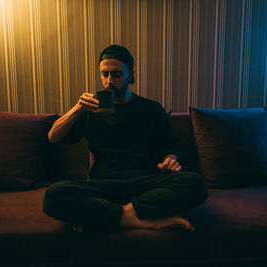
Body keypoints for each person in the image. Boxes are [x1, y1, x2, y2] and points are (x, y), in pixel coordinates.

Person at [43, 44, 208, 232]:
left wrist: (170, 161)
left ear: (130, 74)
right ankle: (138, 219)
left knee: (195, 184)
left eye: (117, 74)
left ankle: (108, 215)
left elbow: (168, 147)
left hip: (145, 183)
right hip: (103, 184)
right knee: (54, 195)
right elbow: (53, 137)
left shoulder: (151, 109)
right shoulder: (90, 110)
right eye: (104, 74)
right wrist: (77, 109)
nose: (109, 81)